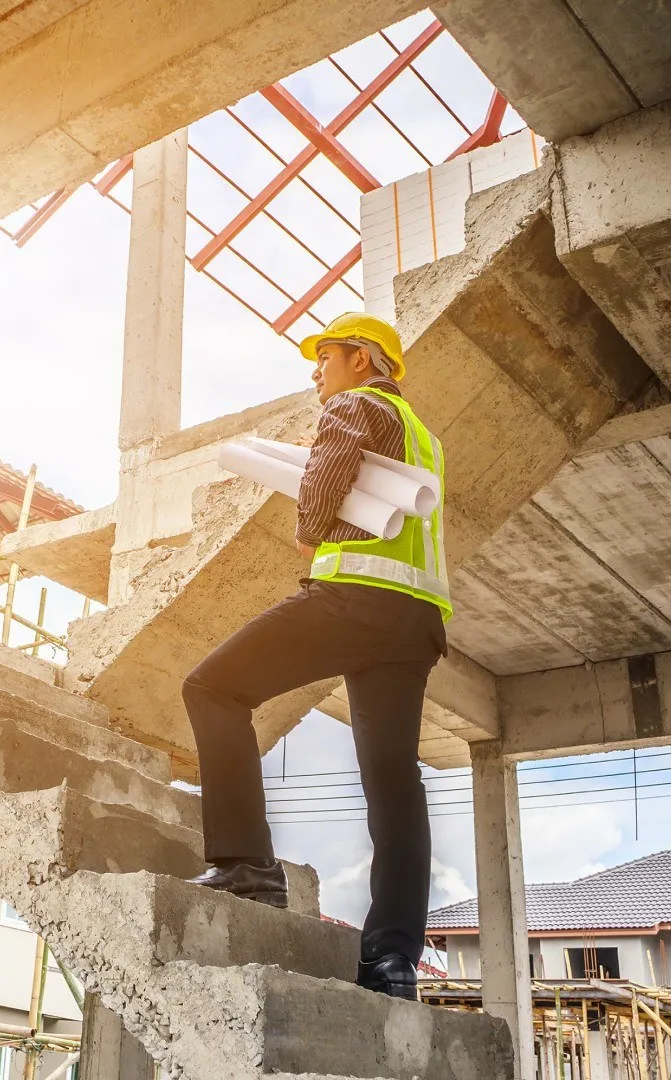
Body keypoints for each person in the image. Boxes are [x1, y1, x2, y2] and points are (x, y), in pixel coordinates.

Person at [181, 311, 451, 1001]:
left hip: (354, 601)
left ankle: (248, 866)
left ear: (362, 359)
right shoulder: (425, 439)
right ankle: (392, 961)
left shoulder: (355, 405)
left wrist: (312, 519)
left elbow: (322, 495)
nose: (316, 373)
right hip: (415, 621)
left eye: (324, 358)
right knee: (394, 786)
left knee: (213, 690)